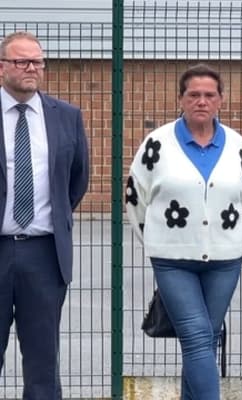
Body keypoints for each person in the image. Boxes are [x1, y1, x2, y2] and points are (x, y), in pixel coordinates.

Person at [126, 64, 242, 400]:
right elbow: (135, 197)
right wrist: (157, 241)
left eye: (209, 95)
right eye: (193, 95)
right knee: (198, 336)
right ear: (180, 99)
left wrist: (232, 239)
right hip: (172, 260)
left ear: (221, 100)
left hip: (225, 260)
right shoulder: (157, 144)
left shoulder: (239, 147)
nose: (201, 101)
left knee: (204, 338)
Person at [0, 30, 89, 399]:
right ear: (2, 67)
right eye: (22, 61)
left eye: (37, 61)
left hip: (44, 255)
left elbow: (77, 179)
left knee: (43, 365)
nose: (31, 68)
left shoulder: (66, 116)